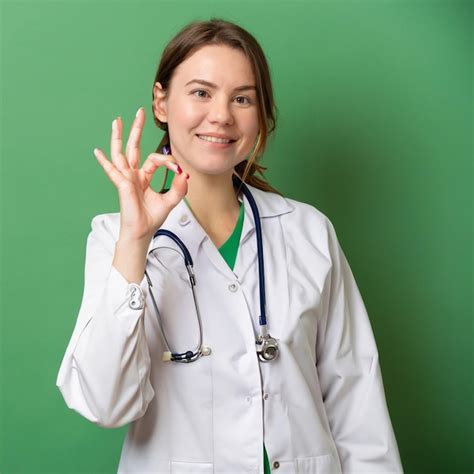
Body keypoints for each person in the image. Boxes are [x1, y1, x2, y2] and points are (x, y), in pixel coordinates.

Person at [56, 18, 403, 474]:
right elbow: (105, 404)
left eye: (242, 98)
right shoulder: (114, 239)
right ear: (161, 102)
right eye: (201, 92)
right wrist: (136, 242)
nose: (222, 115)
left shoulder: (308, 231)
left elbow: (355, 397)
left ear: (260, 115)